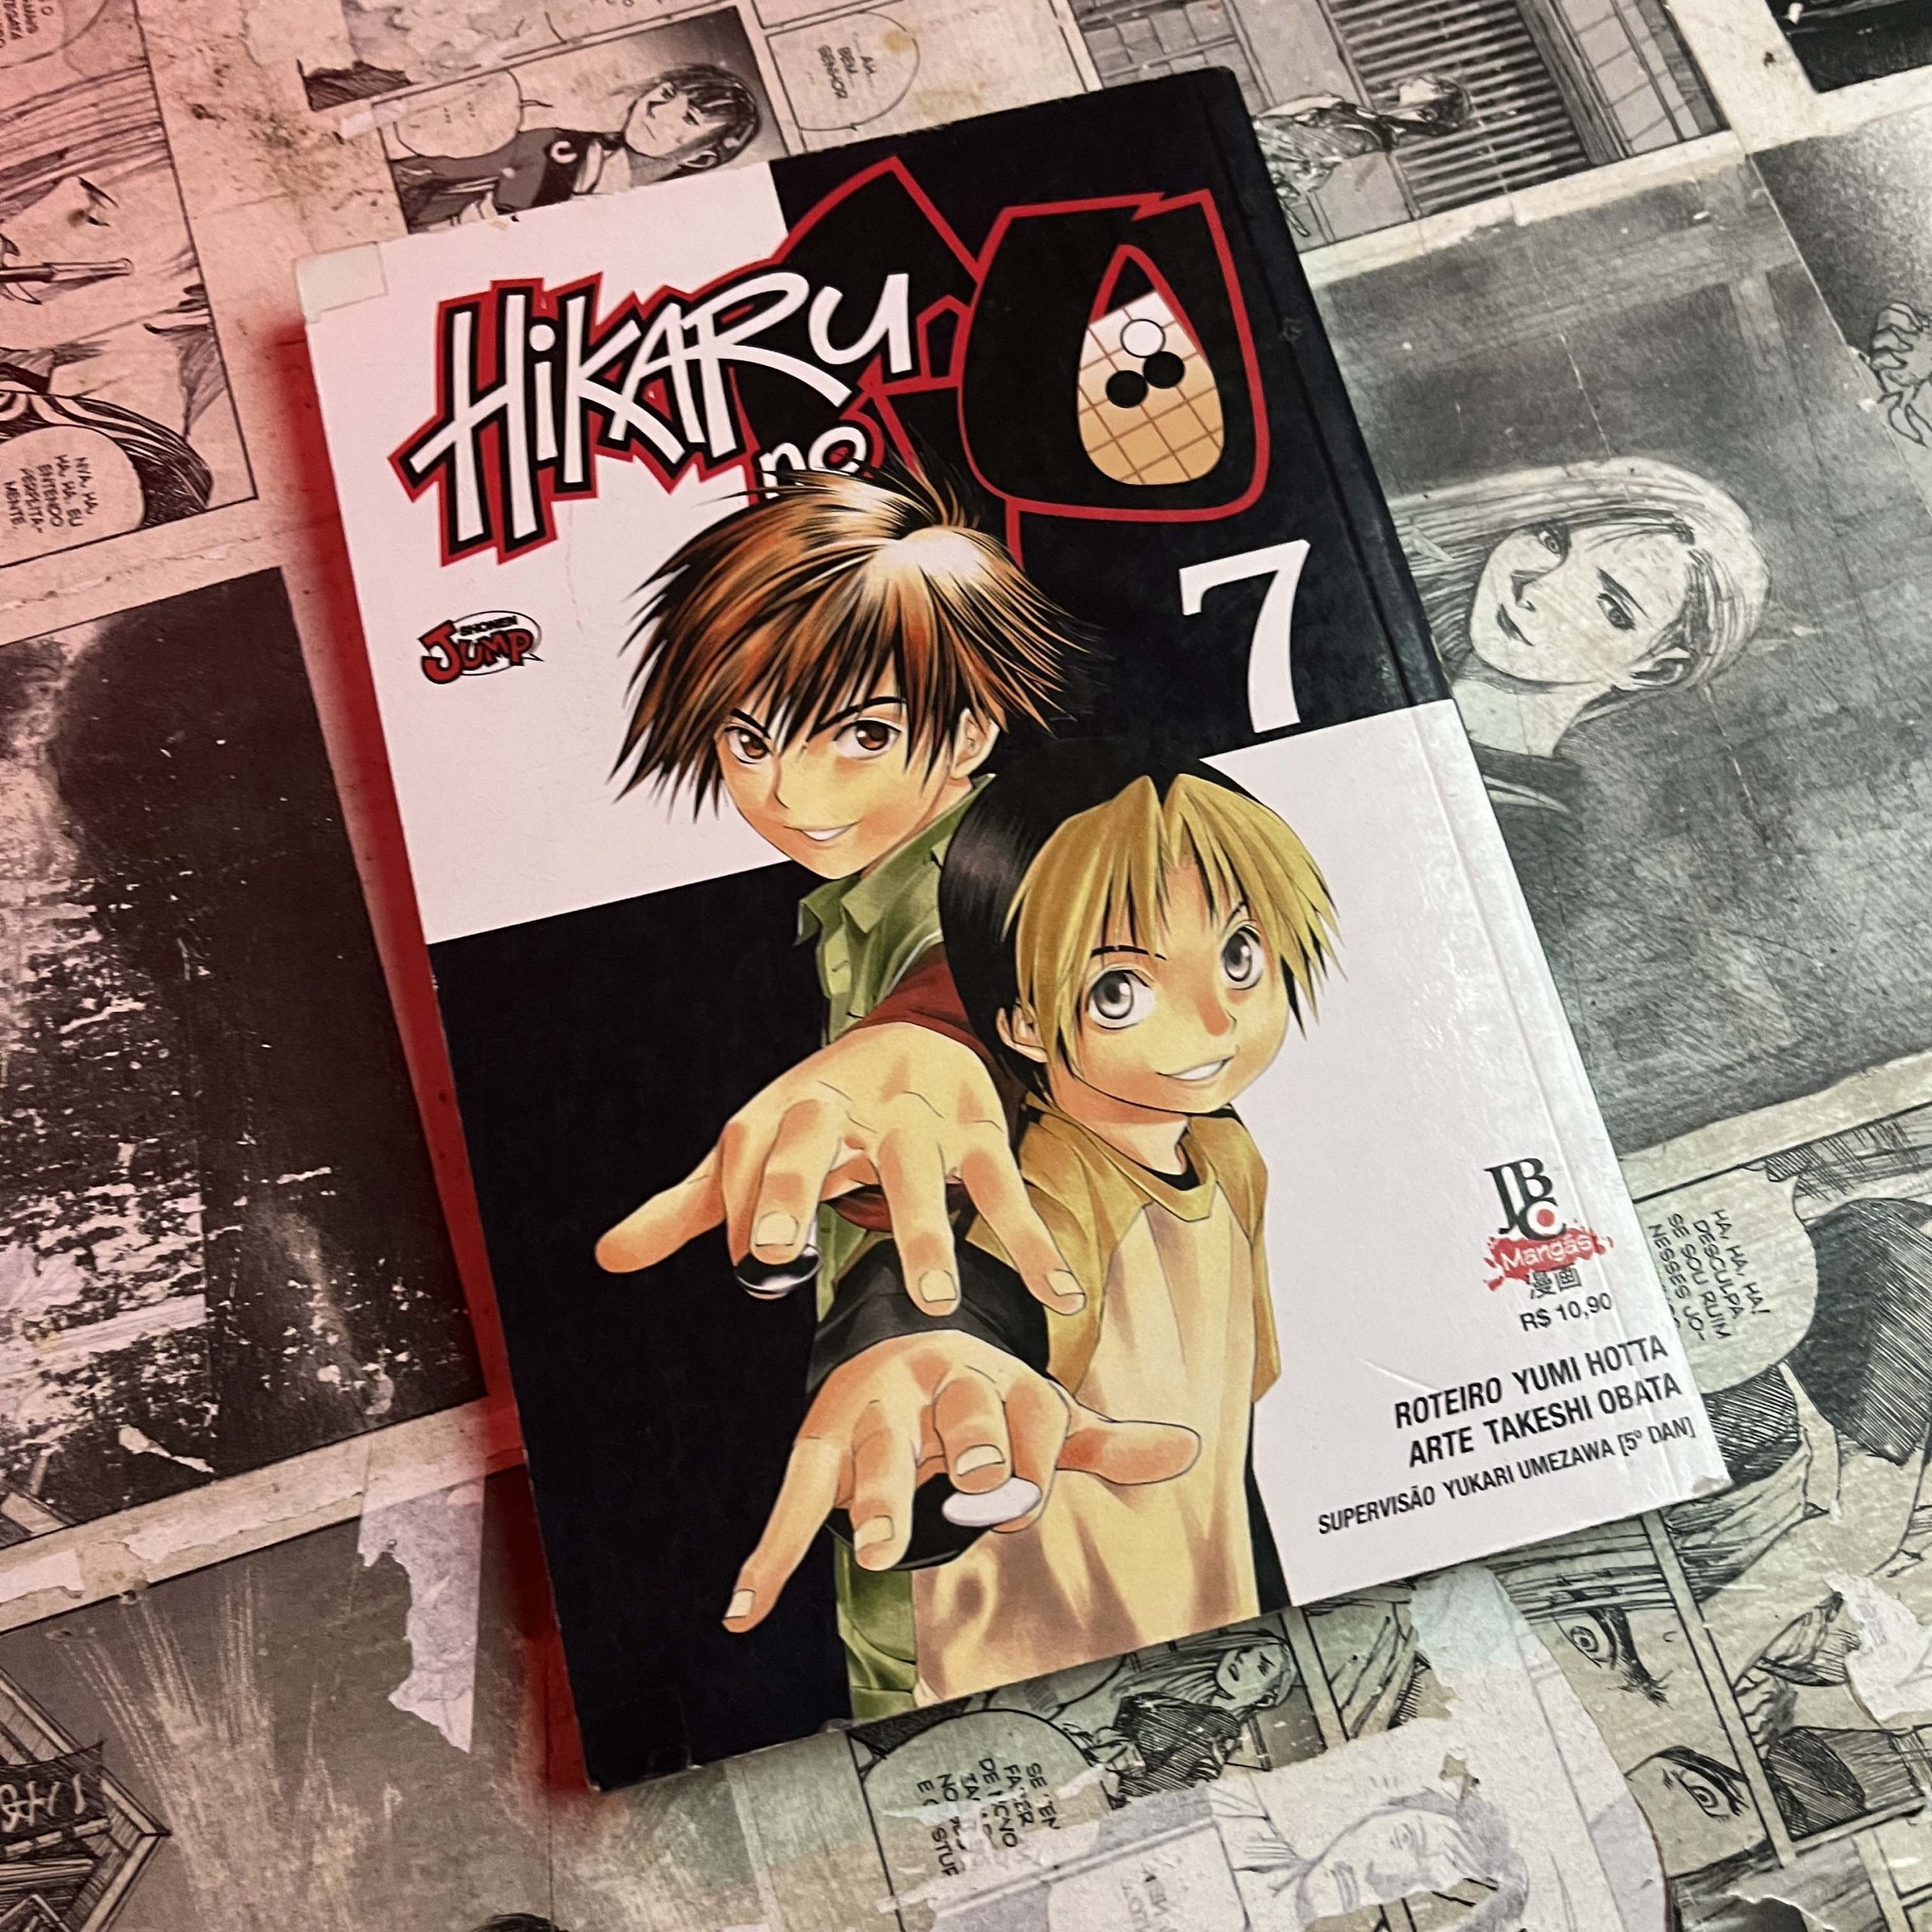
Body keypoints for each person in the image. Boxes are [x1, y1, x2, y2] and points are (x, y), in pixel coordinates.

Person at [598, 469, 1186, 1718]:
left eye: (860, 734)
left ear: (970, 731)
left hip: (1036, 1550)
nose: (794, 795)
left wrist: (933, 1058)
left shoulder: (1012, 885)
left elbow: (979, 1009)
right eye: (750, 740)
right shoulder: (852, 904)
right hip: (934, 1511)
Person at [724, 743, 1337, 1706]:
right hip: (1037, 1680)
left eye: (1237, 955)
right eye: (1120, 990)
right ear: (1017, 1022)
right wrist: (915, 1352)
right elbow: (962, 1296)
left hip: (1211, 1637)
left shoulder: (1227, 1155)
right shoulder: (1050, 1180)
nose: (1214, 1019)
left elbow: (1226, 1442)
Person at [389, 67, 762, 229]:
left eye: (690, 118)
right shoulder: (551, 143)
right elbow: (428, 172)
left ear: (702, 156)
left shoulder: (655, 220)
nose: (657, 110)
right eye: (665, 94)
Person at [1254, 76, 1473, 235]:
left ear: (1428, 113)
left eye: (1434, 87)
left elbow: (1288, 141)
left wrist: (1313, 104)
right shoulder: (1372, 125)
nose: (1420, 79)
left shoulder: (1370, 136)